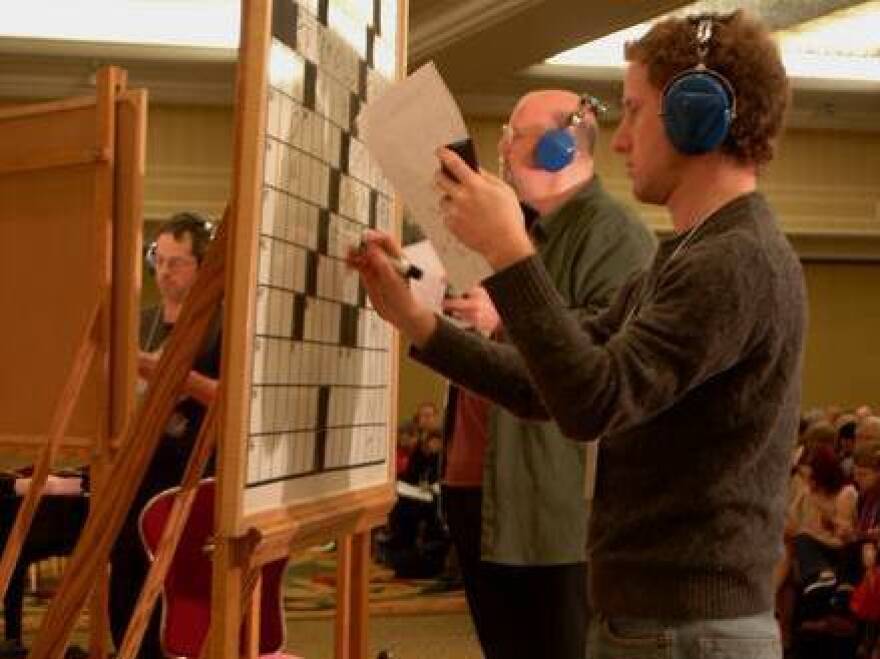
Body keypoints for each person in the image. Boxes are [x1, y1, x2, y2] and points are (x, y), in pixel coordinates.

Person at [350, 9, 805, 658]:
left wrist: (511, 254)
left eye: (635, 111)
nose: (619, 142)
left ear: (695, 118)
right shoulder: (693, 254)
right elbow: (549, 382)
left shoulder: (734, 262)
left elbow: (594, 400)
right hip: (662, 624)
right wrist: (417, 321)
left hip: (685, 634)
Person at [439, 89, 654, 659]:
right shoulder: (512, 226)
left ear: (562, 147)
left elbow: (608, 349)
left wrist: (503, 314)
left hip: (549, 508)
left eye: (517, 135)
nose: (503, 149)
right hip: (480, 491)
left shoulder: (616, 234)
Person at [109, 212, 221, 658]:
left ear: (202, 264)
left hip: (191, 475)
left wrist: (174, 376)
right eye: (159, 258)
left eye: (178, 261)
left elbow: (232, 398)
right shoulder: (143, 319)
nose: (164, 270)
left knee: (180, 591)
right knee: (127, 578)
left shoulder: (219, 323)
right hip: (137, 468)